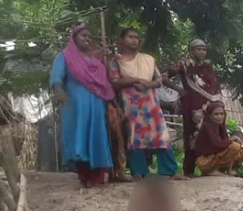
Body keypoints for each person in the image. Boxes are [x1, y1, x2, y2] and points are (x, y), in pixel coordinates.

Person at [110, 28, 184, 179]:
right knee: (134, 136)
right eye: (130, 37)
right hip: (130, 104)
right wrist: (136, 80)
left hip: (151, 103)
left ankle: (170, 170)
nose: (134, 40)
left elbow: (158, 80)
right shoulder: (116, 61)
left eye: (137, 37)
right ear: (122, 40)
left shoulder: (148, 59)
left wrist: (146, 85)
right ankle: (139, 173)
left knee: (161, 134)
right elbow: (115, 81)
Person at [50, 26, 115, 188]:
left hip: (96, 104)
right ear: (74, 38)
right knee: (80, 138)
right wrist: (59, 91)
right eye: (83, 35)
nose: (87, 39)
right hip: (75, 106)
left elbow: (104, 83)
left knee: (97, 137)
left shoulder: (96, 61)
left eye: (89, 36)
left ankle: (97, 177)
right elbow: (56, 77)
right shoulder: (64, 56)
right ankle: (84, 176)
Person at [170, 39, 222, 177]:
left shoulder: (208, 67)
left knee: (210, 137)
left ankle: (209, 168)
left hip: (209, 108)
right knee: (192, 138)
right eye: (198, 49)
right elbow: (162, 77)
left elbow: (215, 88)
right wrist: (179, 90)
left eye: (204, 49)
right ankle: (189, 170)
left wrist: (216, 104)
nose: (202, 52)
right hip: (192, 107)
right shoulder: (184, 65)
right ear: (191, 51)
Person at [194, 102, 243, 176]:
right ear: (210, 115)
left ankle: (227, 170)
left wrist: (233, 140)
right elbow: (218, 144)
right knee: (234, 146)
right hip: (205, 161)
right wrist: (232, 139)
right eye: (216, 114)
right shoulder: (208, 127)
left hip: (215, 157)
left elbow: (224, 142)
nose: (220, 116)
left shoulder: (219, 126)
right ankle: (211, 171)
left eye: (221, 114)